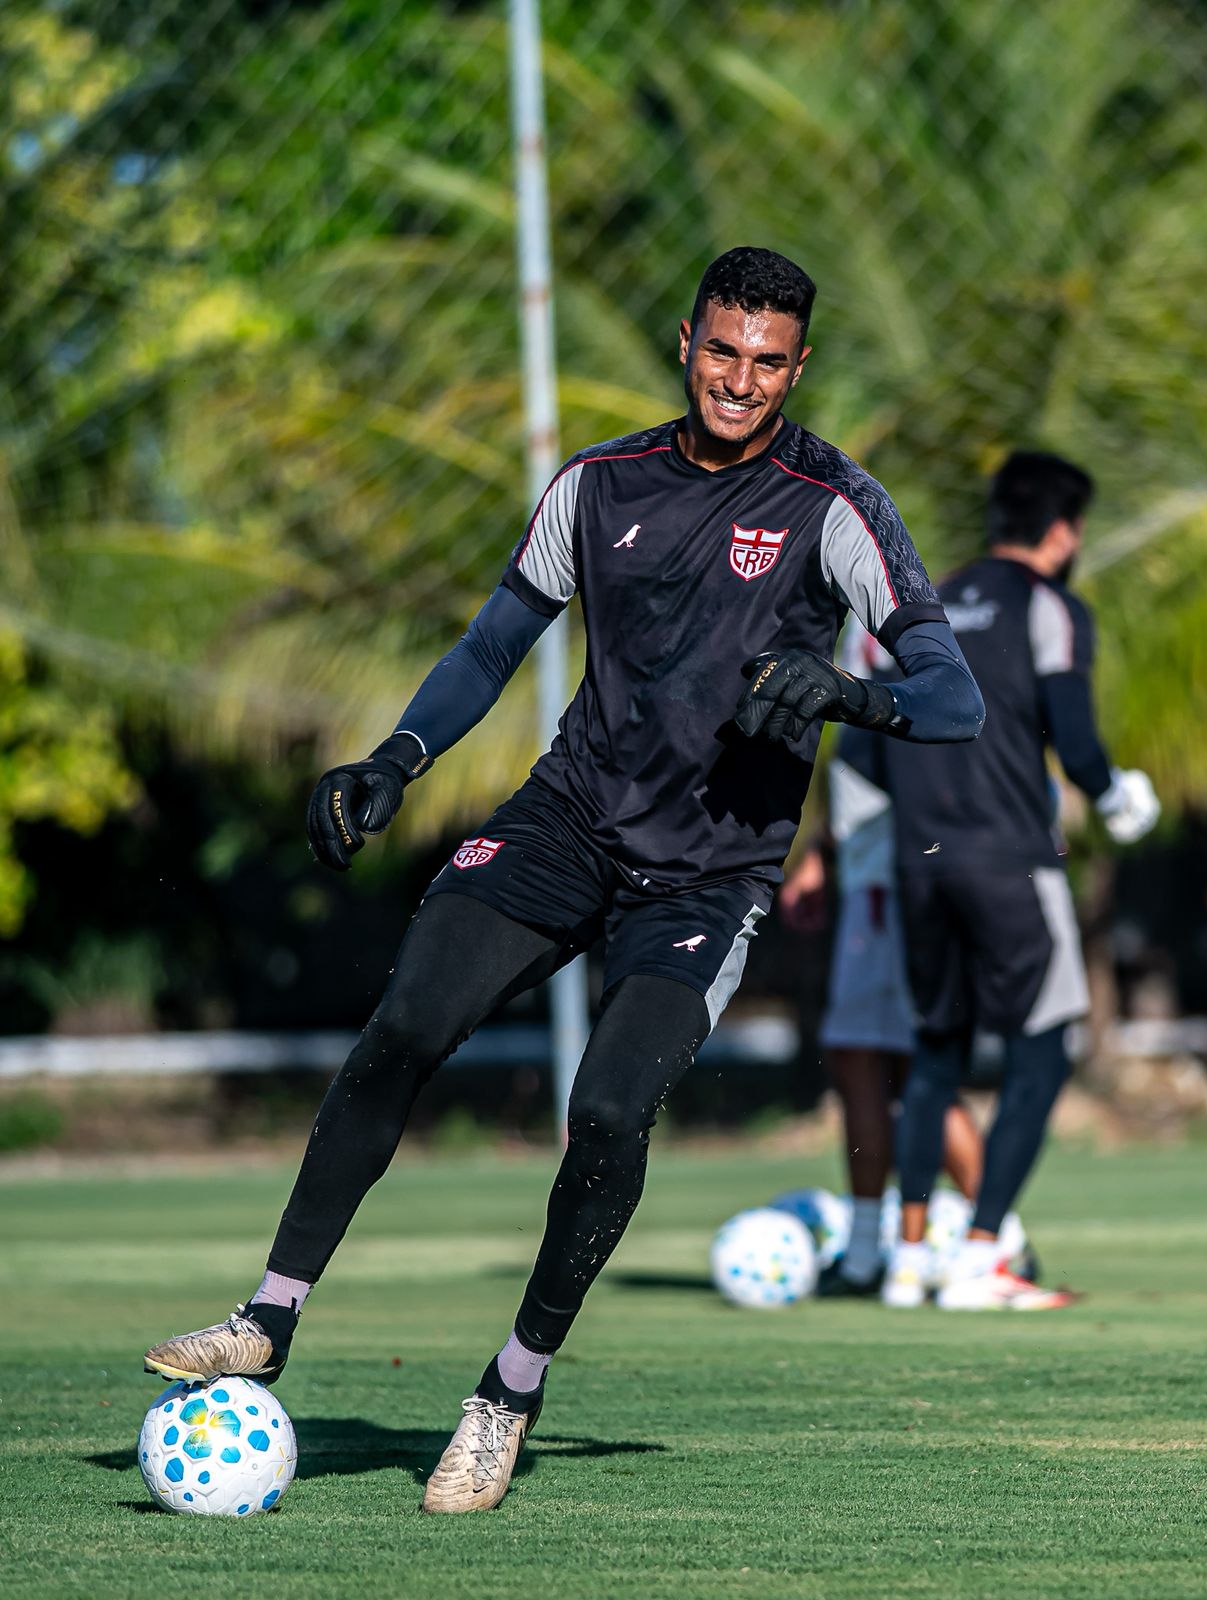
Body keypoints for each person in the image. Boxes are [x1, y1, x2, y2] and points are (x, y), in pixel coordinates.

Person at [144, 247, 984, 1511]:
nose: (738, 379)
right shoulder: (597, 485)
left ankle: (507, 1393)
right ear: (684, 342)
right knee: (405, 1025)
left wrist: (850, 694)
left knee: (605, 1112)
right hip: (567, 820)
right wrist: (396, 758)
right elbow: (491, 644)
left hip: (708, 878)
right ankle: (265, 1318)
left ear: (797, 366)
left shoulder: (833, 506)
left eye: (766, 361)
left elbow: (953, 696)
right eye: (720, 350)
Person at [877, 450, 1159, 1311]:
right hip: (1008, 862)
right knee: (1043, 1048)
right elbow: (1074, 740)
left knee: (937, 1050)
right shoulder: (1049, 607)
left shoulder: (923, 603)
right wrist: (1117, 798)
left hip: (918, 861)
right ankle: (982, 1253)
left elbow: (872, 737)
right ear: (1064, 532)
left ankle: (909, 1259)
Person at [779, 626, 984, 1295]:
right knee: (883, 1064)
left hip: (894, 895)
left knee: (897, 1067)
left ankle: (990, 1238)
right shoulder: (865, 632)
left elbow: (912, 746)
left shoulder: (898, 629)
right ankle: (887, 1249)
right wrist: (824, 854)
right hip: (882, 885)